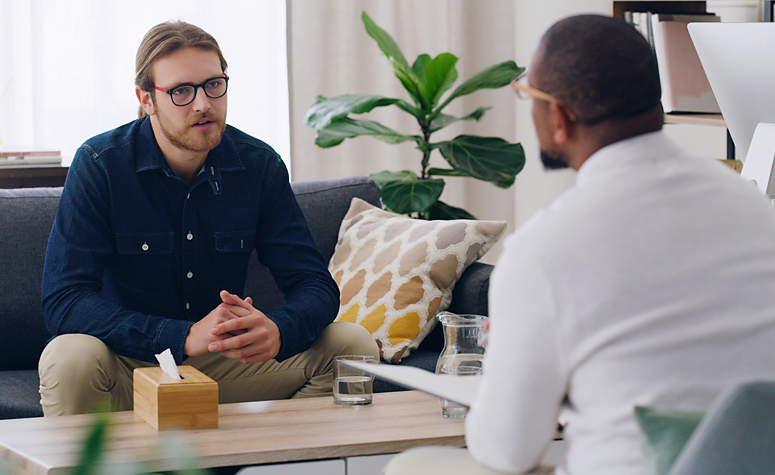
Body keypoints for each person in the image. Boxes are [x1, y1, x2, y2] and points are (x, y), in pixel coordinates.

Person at [382, 14, 775, 475]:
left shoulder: (544, 251)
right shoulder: (754, 207)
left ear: (559, 117)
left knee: (417, 467)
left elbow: (508, 450)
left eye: (527, 95)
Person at [39, 20, 378, 416]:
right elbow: (65, 299)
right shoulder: (101, 165)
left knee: (353, 345)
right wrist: (182, 336)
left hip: (225, 364)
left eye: (213, 85)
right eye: (181, 91)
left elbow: (313, 283)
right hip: (128, 365)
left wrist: (280, 329)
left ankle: (258, 460)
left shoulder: (258, 166)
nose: (203, 104)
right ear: (146, 99)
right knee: (69, 356)